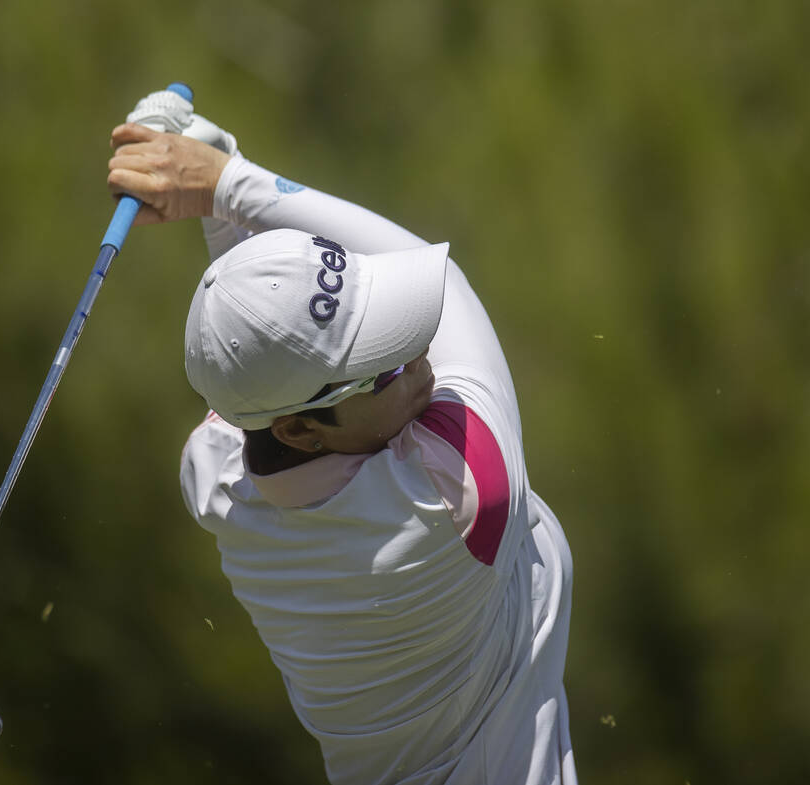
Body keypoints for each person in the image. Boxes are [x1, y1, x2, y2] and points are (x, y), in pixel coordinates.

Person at [107, 103, 577, 785]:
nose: (418, 353)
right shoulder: (461, 496)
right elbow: (443, 279)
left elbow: (263, 360)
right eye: (385, 361)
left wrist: (215, 210)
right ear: (301, 428)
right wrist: (228, 185)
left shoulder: (216, 478)